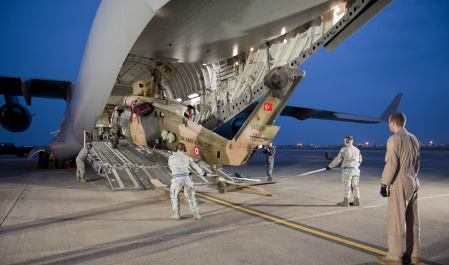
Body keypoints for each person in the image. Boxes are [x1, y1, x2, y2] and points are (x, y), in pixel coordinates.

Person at [376, 113, 421, 265]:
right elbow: (417, 163)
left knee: (396, 220)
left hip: (400, 182)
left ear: (393, 122)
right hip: (413, 181)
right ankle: (413, 254)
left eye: (389, 122)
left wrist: (384, 183)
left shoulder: (394, 139)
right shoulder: (414, 139)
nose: (389, 125)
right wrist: (412, 177)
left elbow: (392, 164)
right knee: (412, 220)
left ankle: (394, 257)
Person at [168, 142, 206, 220]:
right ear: (185, 149)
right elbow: (196, 167)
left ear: (176, 148)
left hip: (176, 179)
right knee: (191, 196)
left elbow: (171, 167)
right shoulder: (188, 158)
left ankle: (176, 214)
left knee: (174, 196)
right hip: (186, 179)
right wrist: (203, 173)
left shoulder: (171, 157)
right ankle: (196, 214)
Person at [326, 136, 362, 207]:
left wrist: (330, 166)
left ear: (347, 141)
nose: (344, 141)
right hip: (356, 170)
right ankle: (356, 201)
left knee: (347, 186)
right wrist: (354, 166)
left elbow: (338, 159)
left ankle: (346, 202)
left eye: (345, 140)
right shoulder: (357, 149)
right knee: (355, 186)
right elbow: (360, 160)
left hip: (347, 171)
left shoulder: (344, 149)